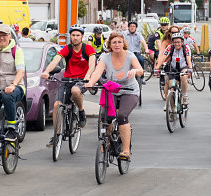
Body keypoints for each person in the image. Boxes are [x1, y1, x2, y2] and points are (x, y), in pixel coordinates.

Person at [86, 32, 143, 160]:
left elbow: (140, 70)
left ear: (123, 44)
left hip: (129, 90)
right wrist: (91, 82)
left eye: (119, 42)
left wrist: (134, 70)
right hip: (112, 90)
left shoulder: (130, 56)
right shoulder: (105, 58)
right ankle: (107, 140)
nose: (117, 45)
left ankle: (126, 151)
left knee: (122, 116)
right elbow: (97, 72)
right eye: (114, 42)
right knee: (106, 116)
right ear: (110, 45)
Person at [41, 24, 96, 146]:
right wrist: (46, 71)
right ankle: (56, 134)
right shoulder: (67, 49)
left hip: (81, 80)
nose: (75, 38)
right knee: (57, 105)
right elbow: (55, 60)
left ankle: (81, 112)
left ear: (82, 36)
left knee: (76, 91)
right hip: (67, 79)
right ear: (70, 36)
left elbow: (92, 64)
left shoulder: (88, 49)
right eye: (73, 35)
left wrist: (88, 76)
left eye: (78, 35)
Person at [154, 32, 193, 105]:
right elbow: (163, 58)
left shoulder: (186, 48)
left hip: (183, 67)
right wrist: (157, 68)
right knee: (171, 88)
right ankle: (171, 110)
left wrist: (190, 69)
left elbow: (188, 59)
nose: (176, 44)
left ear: (182, 42)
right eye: (174, 42)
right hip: (173, 68)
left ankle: (184, 95)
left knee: (183, 76)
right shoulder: (170, 47)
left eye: (178, 42)